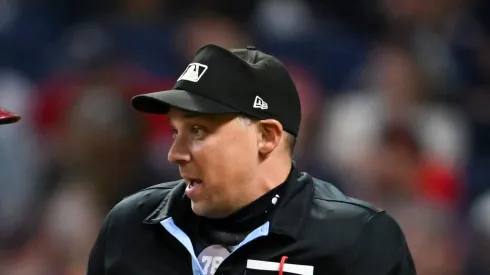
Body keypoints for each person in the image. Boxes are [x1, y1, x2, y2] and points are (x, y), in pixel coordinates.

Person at [87, 44, 416, 275]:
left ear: (267, 137)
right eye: (176, 131)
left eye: (199, 131)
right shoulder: (129, 228)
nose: (175, 153)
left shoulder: (357, 239)